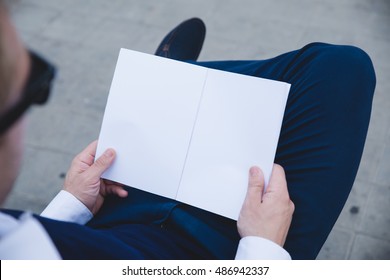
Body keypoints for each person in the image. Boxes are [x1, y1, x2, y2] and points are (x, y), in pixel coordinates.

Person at [0, 3, 375, 260]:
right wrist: (263, 248)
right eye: (36, 84)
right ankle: (171, 76)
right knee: (342, 68)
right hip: (225, 249)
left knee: (336, 68)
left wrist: (71, 204)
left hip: (112, 215)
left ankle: (170, 79)